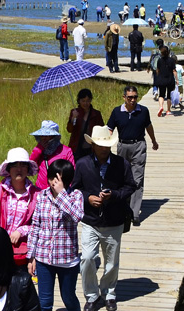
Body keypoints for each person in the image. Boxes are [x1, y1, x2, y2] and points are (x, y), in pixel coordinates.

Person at [71, 126, 137, 311]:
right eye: (100, 145)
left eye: (107, 145)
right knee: (87, 259)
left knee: (111, 262)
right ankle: (91, 296)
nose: (104, 149)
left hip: (114, 221)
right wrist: (88, 198)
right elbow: (75, 189)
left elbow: (130, 186)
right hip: (90, 221)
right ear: (93, 146)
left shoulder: (121, 164)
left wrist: (114, 195)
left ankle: (109, 293)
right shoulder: (82, 164)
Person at [27, 159, 83, 311]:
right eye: (52, 178)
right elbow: (35, 226)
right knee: (44, 302)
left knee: (69, 298)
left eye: (59, 180)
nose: (54, 183)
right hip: (43, 258)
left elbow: (77, 217)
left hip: (67, 260)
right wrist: (31, 256)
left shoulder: (75, 196)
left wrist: (61, 194)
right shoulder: (42, 196)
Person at [107, 85, 157, 227]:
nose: (133, 100)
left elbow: (149, 127)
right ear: (124, 97)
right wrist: (105, 144)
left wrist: (154, 141)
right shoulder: (117, 112)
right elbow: (110, 129)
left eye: (135, 97)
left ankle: (134, 214)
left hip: (139, 145)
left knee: (137, 179)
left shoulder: (143, 111)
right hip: (122, 146)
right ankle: (123, 208)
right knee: (122, 178)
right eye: (130, 97)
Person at [0, 148, 42, 272]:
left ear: (28, 169)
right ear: (8, 169)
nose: (19, 169)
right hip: (0, 251)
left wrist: (21, 231)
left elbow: (40, 224)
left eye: (23, 165)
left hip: (25, 254)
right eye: (15, 165)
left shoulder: (37, 194)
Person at [28, 120, 75, 191]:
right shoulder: (39, 150)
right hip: (41, 190)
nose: (44, 138)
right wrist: (38, 150)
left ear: (54, 137)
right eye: (42, 135)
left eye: (47, 135)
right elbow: (30, 166)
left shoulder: (66, 151)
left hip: (60, 190)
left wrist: (66, 189)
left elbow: (71, 172)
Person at [67, 88, 105, 161]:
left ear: (91, 100)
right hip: (77, 147)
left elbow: (101, 130)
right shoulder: (74, 112)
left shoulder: (96, 114)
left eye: (88, 101)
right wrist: (73, 119)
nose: (85, 103)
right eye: (83, 101)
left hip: (91, 148)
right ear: (79, 101)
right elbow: (69, 130)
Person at [152, 46, 176, 117]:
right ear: (168, 52)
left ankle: (161, 107)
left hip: (161, 79)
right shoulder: (171, 60)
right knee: (169, 96)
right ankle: (168, 110)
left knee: (161, 95)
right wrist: (177, 80)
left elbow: (158, 70)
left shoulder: (159, 60)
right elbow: (174, 70)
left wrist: (157, 76)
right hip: (170, 79)